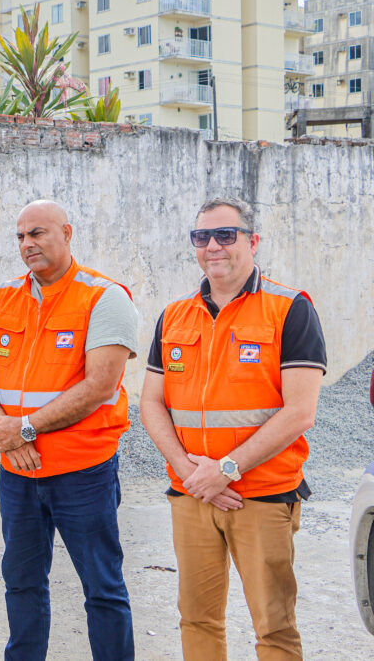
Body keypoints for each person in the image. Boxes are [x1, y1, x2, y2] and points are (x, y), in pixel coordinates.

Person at [139, 197, 326, 661]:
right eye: (202, 236)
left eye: (226, 234)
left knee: (274, 627)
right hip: (192, 493)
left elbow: (300, 412)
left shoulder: (290, 308)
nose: (213, 246)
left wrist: (225, 469)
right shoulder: (174, 315)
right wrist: (191, 472)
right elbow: (151, 403)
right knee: (197, 619)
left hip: (260, 494)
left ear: (252, 241)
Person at [0, 200, 137, 661]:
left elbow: (100, 386)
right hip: (19, 472)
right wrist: (8, 435)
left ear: (66, 232)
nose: (27, 244)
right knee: (21, 583)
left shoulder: (104, 297)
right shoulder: (1, 298)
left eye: (37, 233)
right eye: (20, 236)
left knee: (102, 587)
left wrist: (23, 428)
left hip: (83, 471)